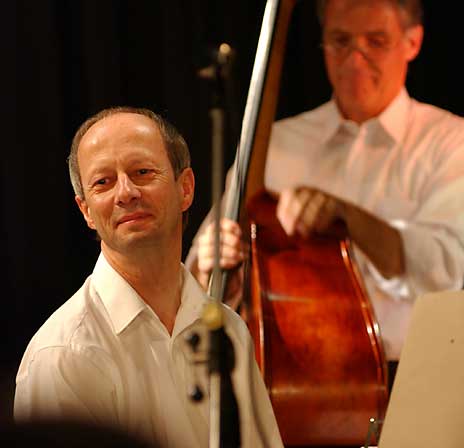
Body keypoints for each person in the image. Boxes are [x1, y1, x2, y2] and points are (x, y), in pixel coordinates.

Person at [186, 0, 464, 372]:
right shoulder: (275, 142)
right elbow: (197, 280)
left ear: (412, 42)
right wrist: (209, 265)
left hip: (413, 372)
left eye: (376, 41)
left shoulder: (457, 142)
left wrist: (345, 216)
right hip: (284, 377)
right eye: (340, 41)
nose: (355, 58)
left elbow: (436, 270)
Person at [13, 107, 284, 448]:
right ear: (86, 212)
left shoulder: (230, 332)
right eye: (103, 182)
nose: (125, 192)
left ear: (185, 188)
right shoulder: (62, 354)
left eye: (142, 172)